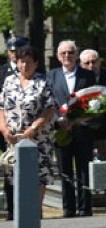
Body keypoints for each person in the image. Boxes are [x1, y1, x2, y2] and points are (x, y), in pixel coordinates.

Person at [0, 45, 57, 210]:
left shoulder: (42, 82)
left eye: (29, 62)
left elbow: (50, 108)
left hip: (37, 138)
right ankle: (21, 213)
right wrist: (4, 129)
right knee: (15, 175)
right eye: (22, 62)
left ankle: (36, 212)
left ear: (36, 63)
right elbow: (1, 107)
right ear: (17, 63)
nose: (25, 65)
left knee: (39, 175)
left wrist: (34, 127)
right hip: (14, 138)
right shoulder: (9, 81)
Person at [47, 41, 98, 217]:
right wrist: (58, 121)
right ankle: (68, 208)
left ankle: (85, 207)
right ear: (58, 56)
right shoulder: (51, 76)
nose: (67, 56)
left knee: (85, 169)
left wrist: (77, 120)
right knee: (65, 171)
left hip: (82, 129)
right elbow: (48, 103)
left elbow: (93, 103)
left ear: (76, 55)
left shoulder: (88, 76)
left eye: (70, 52)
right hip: (61, 131)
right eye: (63, 53)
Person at [79, 49, 106, 162]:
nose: (91, 66)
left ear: (99, 62)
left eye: (94, 62)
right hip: (84, 131)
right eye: (86, 63)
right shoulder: (77, 79)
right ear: (80, 64)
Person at [0, 35, 28, 215]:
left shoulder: (30, 70)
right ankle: (11, 210)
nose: (14, 53)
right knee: (8, 167)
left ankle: (26, 209)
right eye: (11, 51)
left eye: (17, 50)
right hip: (5, 128)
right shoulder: (1, 72)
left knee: (25, 168)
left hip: (25, 128)